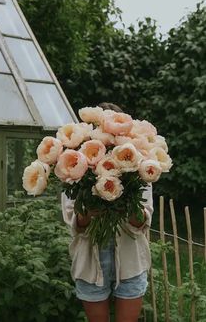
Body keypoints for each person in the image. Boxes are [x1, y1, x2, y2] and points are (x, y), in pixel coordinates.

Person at [61, 103, 153, 322]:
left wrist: (128, 202)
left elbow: (142, 222)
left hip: (131, 260)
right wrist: (89, 210)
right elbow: (74, 223)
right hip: (90, 262)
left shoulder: (140, 170)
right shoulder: (73, 170)